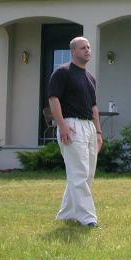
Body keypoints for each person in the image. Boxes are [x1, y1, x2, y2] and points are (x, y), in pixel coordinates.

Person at [48, 37, 103, 228]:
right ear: (73, 51)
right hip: (71, 125)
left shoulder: (90, 78)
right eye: (83, 48)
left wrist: (98, 132)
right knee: (79, 173)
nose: (87, 50)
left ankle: (66, 214)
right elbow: (53, 99)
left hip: (89, 127)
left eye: (88, 47)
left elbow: (94, 106)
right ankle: (88, 218)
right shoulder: (62, 73)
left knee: (86, 174)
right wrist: (61, 124)